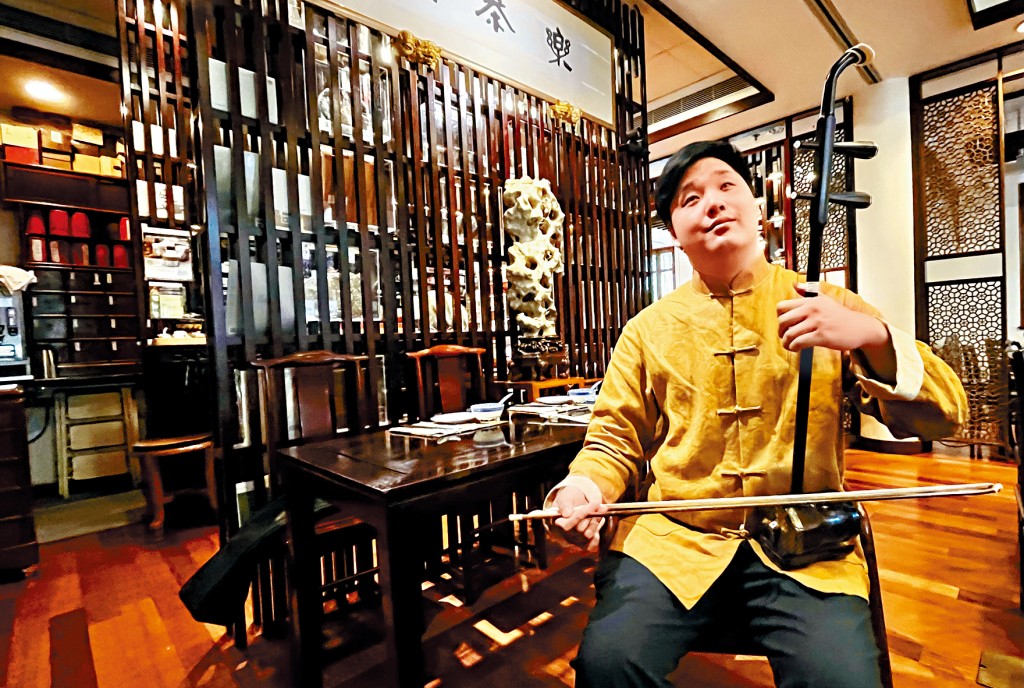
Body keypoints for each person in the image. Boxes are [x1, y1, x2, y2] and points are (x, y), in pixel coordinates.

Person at [548, 140, 968, 688]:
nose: (713, 203)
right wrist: (582, 487)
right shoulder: (647, 330)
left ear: (758, 209)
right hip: (676, 541)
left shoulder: (826, 303)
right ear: (673, 232)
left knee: (842, 681)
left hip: (807, 547)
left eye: (727, 186)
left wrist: (872, 337)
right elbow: (613, 438)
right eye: (690, 198)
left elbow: (945, 416)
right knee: (608, 665)